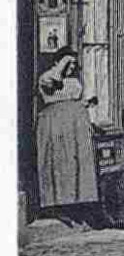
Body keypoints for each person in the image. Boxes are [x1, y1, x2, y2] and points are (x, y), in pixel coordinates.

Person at [36, 48, 100, 224]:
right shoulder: (47, 77)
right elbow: (53, 83)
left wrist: (86, 103)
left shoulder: (73, 81)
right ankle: (59, 206)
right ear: (58, 62)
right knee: (60, 164)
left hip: (75, 126)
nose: (72, 67)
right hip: (56, 127)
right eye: (68, 63)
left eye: (73, 64)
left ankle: (77, 205)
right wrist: (62, 64)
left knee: (77, 164)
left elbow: (73, 100)